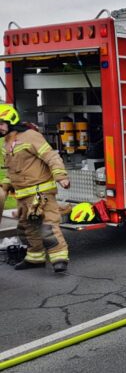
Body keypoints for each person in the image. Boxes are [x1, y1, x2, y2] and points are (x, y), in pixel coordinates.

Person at [0, 104, 71, 273]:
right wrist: (4, 187)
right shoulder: (6, 144)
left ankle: (59, 258)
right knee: (27, 228)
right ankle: (35, 258)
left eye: (1, 123)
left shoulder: (31, 136)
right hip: (24, 196)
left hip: (41, 193)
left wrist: (61, 176)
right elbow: (12, 170)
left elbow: (51, 156)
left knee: (48, 227)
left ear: (11, 121)